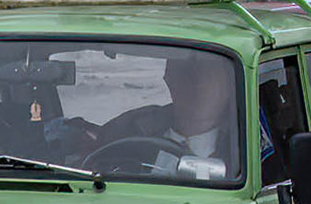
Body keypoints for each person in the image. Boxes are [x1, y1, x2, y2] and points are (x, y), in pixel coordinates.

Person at [87, 53, 241, 176]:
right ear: (169, 79)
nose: (196, 84)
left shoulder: (246, 145)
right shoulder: (128, 129)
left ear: (229, 84)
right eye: (185, 72)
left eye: (208, 73)